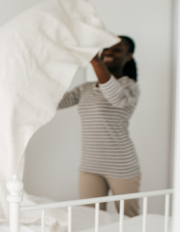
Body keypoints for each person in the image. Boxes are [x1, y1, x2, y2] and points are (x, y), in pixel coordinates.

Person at [58, 36, 141, 217]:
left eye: (117, 50)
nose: (109, 52)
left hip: (122, 166)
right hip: (90, 165)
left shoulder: (130, 87)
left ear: (129, 56)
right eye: (107, 49)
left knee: (130, 220)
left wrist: (95, 61)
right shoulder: (86, 89)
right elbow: (56, 102)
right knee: (90, 219)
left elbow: (115, 98)